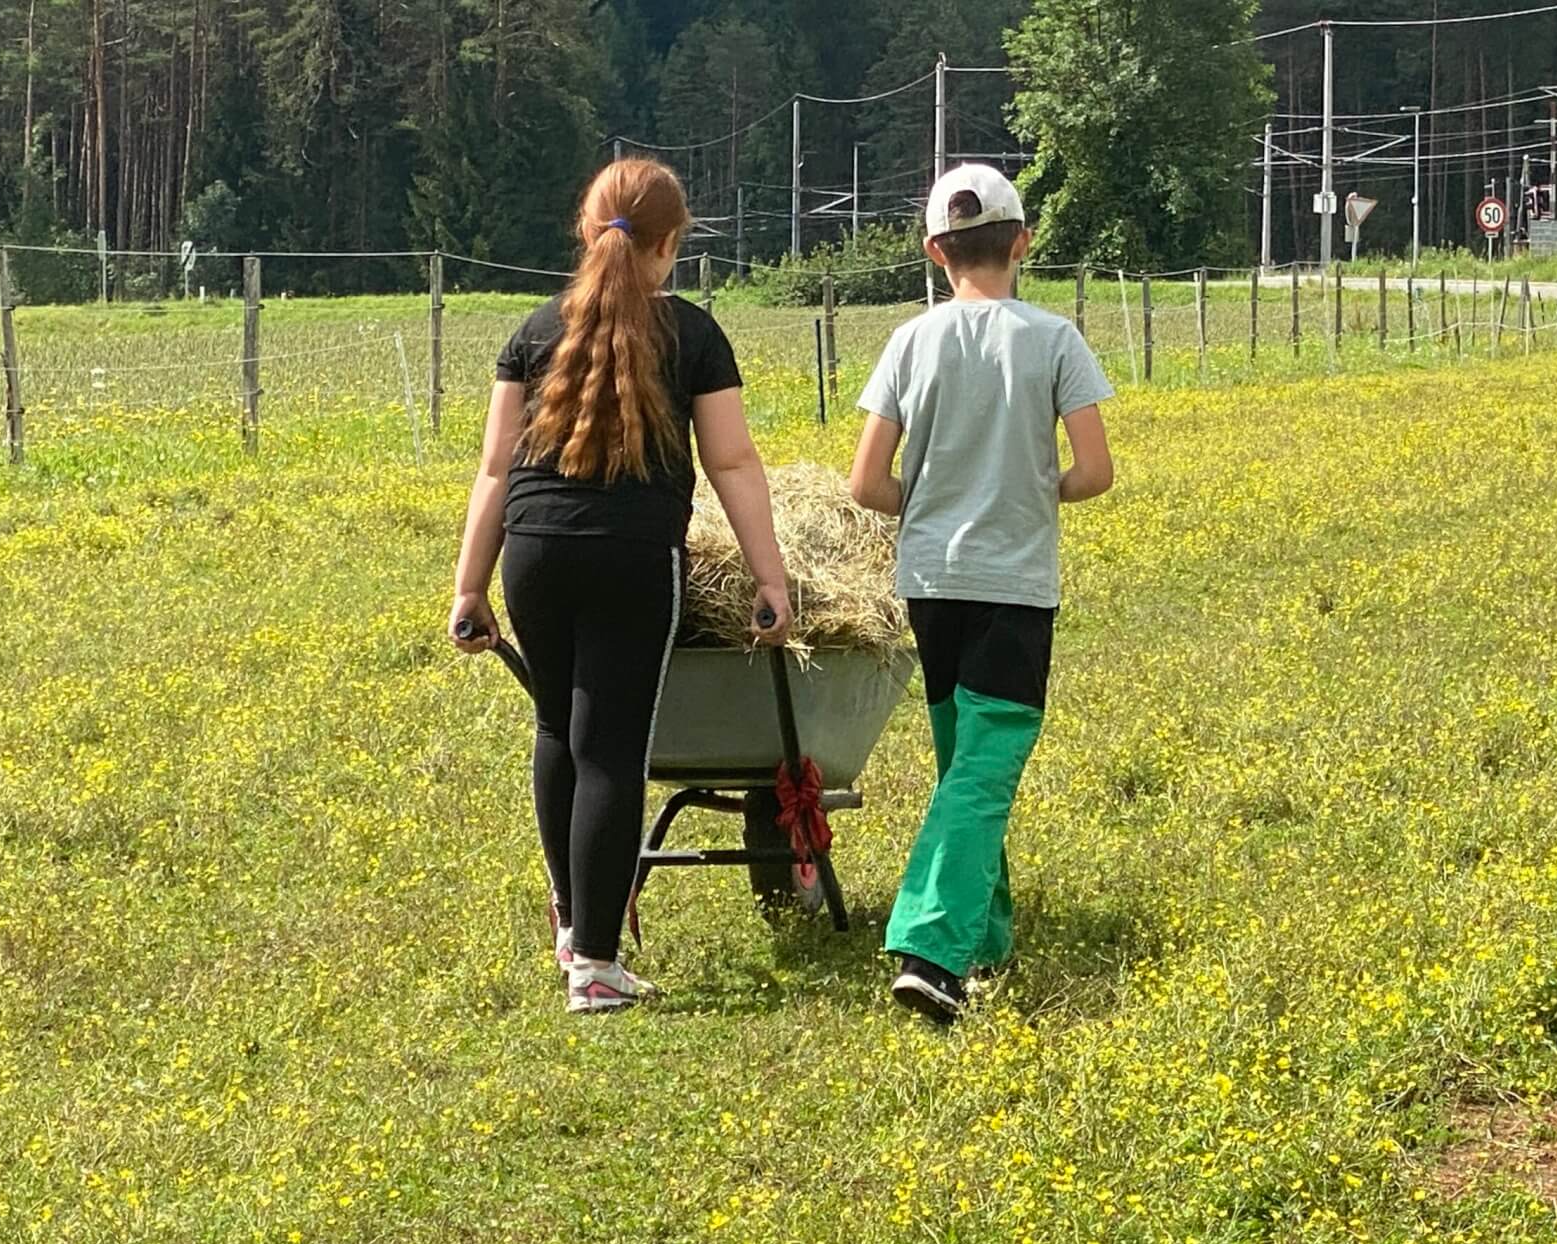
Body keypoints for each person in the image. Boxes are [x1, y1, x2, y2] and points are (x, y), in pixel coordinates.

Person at [449, 159, 792, 1014]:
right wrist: (770, 576)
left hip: (534, 553)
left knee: (556, 731)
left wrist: (469, 587)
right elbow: (731, 461)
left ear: (586, 230)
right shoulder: (694, 335)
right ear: (671, 245)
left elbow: (495, 470)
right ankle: (596, 966)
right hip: (633, 557)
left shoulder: (534, 331)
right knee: (610, 749)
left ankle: (574, 927)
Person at [847, 163, 1115, 1024]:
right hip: (1014, 582)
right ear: (1023, 243)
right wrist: (1035, 492)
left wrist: (930, 504)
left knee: (965, 763)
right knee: (986, 769)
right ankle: (931, 950)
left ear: (936, 252)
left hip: (929, 581)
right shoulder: (1054, 339)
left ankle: (987, 934)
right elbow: (1095, 471)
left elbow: (866, 483)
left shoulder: (909, 342)